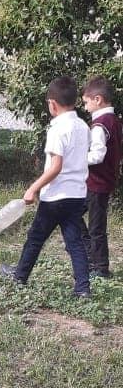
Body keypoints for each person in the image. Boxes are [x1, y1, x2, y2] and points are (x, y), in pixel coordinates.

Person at [1, 76, 91, 298]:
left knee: (35, 238)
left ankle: (20, 276)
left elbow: (56, 166)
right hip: (77, 195)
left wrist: (33, 188)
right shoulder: (83, 127)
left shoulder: (57, 129)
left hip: (55, 197)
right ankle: (83, 288)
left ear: (52, 104)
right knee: (75, 242)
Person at [80, 75, 122, 279]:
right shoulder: (115, 121)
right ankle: (91, 258)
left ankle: (100, 267)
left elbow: (97, 156)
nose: (85, 107)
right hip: (102, 182)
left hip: (97, 183)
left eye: (86, 102)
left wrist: (76, 159)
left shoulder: (100, 125)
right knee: (73, 214)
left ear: (98, 99)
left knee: (96, 227)